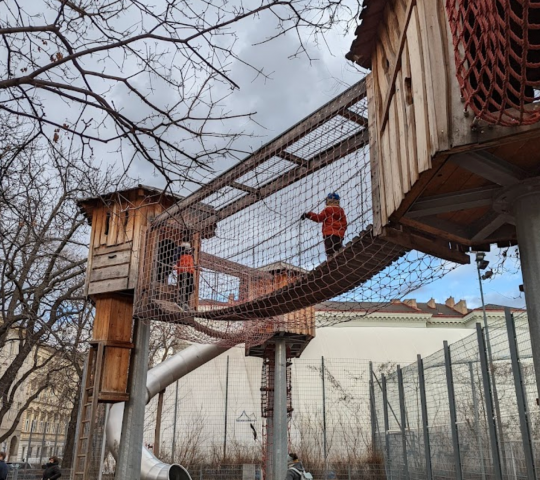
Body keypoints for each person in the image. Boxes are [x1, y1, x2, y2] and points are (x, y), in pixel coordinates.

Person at [301, 193, 347, 257]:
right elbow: (344, 224)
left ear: (327, 202)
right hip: (339, 235)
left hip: (329, 234)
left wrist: (308, 215)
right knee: (338, 248)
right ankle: (341, 253)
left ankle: (330, 257)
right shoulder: (341, 212)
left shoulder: (327, 210)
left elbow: (319, 218)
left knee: (330, 251)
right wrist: (341, 232)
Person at [174, 242, 195, 310]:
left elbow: (191, 263)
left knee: (190, 288)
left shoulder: (190, 255)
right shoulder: (179, 252)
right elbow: (175, 256)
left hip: (190, 272)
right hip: (182, 272)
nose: (189, 250)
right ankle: (181, 302)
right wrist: (174, 264)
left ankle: (184, 302)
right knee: (183, 287)